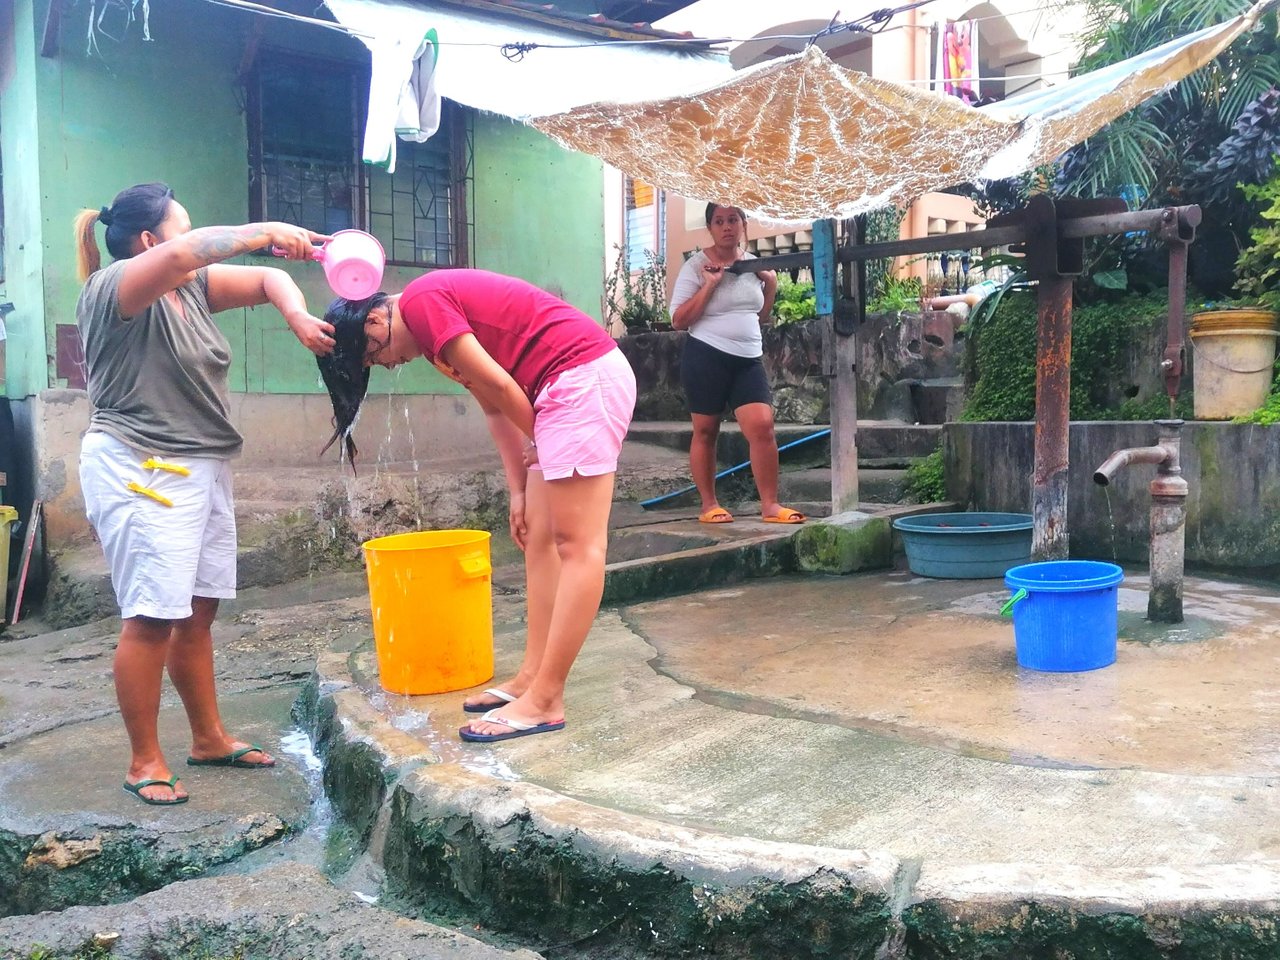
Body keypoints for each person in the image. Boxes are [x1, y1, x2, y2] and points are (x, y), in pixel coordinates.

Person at [74, 182, 333, 805]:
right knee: (152, 616)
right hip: (144, 467)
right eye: (183, 229)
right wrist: (268, 230)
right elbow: (189, 254)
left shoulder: (188, 288)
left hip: (201, 463)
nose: (195, 243)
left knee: (197, 610)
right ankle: (144, 760)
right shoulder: (116, 289)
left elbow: (267, 283)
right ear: (148, 241)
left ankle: (208, 737)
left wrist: (295, 313)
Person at [317, 270, 636, 744]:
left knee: (578, 545)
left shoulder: (422, 303)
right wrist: (519, 492)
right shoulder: (430, 336)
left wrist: (539, 442)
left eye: (371, 355)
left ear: (375, 319)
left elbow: (506, 392)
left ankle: (547, 699)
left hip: (579, 381)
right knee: (539, 540)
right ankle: (530, 678)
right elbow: (492, 402)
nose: (382, 365)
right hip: (554, 393)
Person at [670, 203, 806, 525]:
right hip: (706, 355)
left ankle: (770, 505)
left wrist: (770, 284)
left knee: (762, 426)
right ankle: (709, 505)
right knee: (706, 431)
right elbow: (678, 320)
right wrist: (709, 286)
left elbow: (762, 315)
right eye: (719, 221)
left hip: (747, 358)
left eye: (733, 220)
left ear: (743, 224)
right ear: (711, 227)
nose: (726, 227)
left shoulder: (753, 265)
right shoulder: (696, 266)